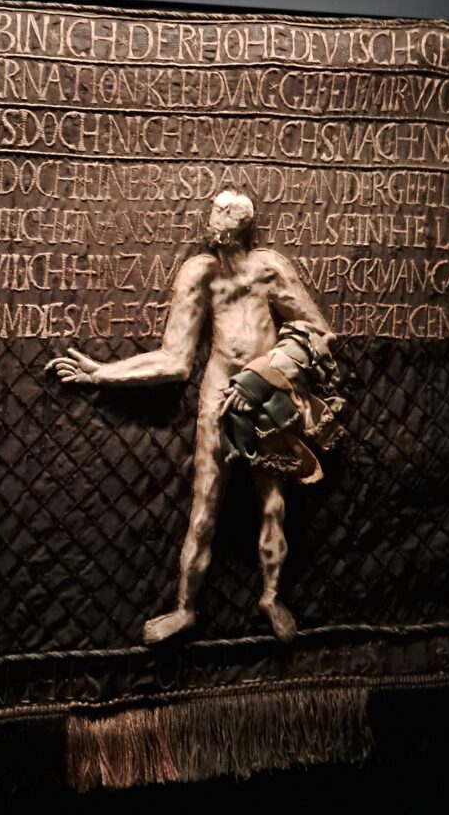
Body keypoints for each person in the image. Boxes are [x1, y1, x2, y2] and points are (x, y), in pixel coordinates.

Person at [45, 191, 339, 644]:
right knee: (204, 509)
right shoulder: (199, 273)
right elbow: (175, 359)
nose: (215, 221)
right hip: (219, 394)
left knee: (273, 505)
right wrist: (102, 373)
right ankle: (185, 609)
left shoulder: (268, 267)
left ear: (241, 225)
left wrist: (260, 378)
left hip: (266, 394)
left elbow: (319, 332)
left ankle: (271, 597)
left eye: (224, 214)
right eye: (215, 213)